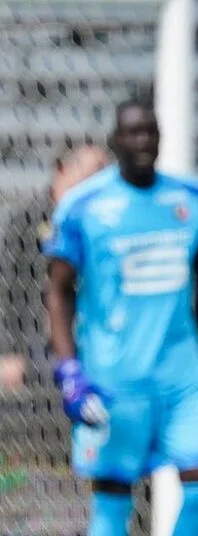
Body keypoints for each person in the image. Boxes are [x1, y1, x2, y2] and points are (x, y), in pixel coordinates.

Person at [44, 99, 198, 536]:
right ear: (116, 140)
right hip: (115, 375)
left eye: (150, 132)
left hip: (183, 372)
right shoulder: (83, 206)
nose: (143, 142)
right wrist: (68, 367)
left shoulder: (191, 197)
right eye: (133, 133)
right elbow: (59, 291)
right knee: (114, 498)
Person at [0, 143, 110, 391]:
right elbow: (9, 288)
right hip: (35, 347)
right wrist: (10, 350)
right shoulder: (28, 219)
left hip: (88, 342)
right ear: (62, 169)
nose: (98, 180)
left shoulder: (99, 222)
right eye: (93, 169)